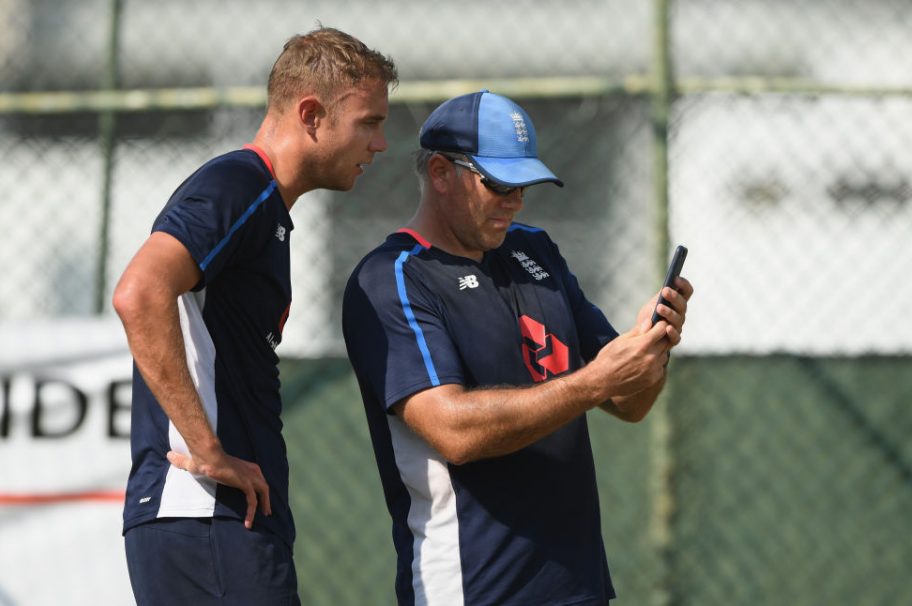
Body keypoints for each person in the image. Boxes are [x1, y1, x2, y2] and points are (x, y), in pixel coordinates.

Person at [342, 90, 693, 606]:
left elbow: (628, 404)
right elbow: (453, 432)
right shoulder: (391, 277)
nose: (515, 202)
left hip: (578, 586)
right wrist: (595, 380)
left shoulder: (535, 250)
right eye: (500, 183)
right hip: (473, 589)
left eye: (525, 185)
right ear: (440, 172)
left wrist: (650, 352)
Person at [112, 26, 397, 606]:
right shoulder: (239, 186)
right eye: (369, 122)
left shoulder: (266, 206)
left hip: (220, 522)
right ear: (312, 114)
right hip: (204, 515)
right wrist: (207, 448)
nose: (381, 143)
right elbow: (139, 292)